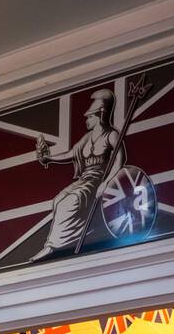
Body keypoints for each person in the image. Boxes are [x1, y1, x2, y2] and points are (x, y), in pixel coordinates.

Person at [33, 89, 123, 260]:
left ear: (101, 115)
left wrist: (106, 183)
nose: (87, 120)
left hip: (97, 180)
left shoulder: (111, 134)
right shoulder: (87, 137)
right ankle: (73, 234)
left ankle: (53, 246)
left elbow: (119, 160)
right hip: (84, 179)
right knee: (58, 199)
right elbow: (70, 154)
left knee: (70, 202)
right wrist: (48, 158)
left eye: (90, 116)